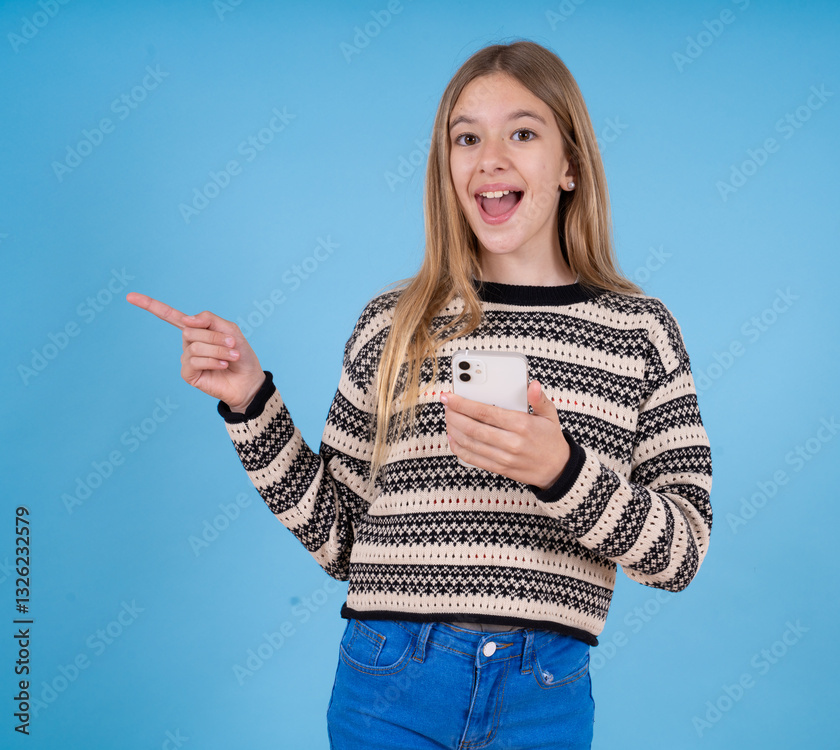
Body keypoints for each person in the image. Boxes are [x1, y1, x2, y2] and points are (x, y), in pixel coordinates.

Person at [129, 39, 712, 750]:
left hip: (545, 693)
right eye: (466, 138)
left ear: (569, 165)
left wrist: (559, 470)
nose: (490, 157)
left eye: (522, 132)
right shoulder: (392, 323)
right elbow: (343, 539)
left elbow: (681, 553)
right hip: (390, 681)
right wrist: (251, 402)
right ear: (447, 168)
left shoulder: (640, 332)